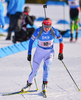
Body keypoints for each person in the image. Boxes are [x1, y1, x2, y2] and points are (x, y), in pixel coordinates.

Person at [21, 18, 64, 94]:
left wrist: (60, 52)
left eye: (48, 27)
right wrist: (29, 53)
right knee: (34, 70)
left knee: (47, 67)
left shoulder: (54, 31)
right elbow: (31, 42)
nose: (47, 29)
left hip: (49, 52)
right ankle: (28, 85)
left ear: (51, 26)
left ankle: (44, 84)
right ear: (42, 25)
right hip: (39, 52)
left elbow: (61, 41)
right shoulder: (38, 31)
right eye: (45, 26)